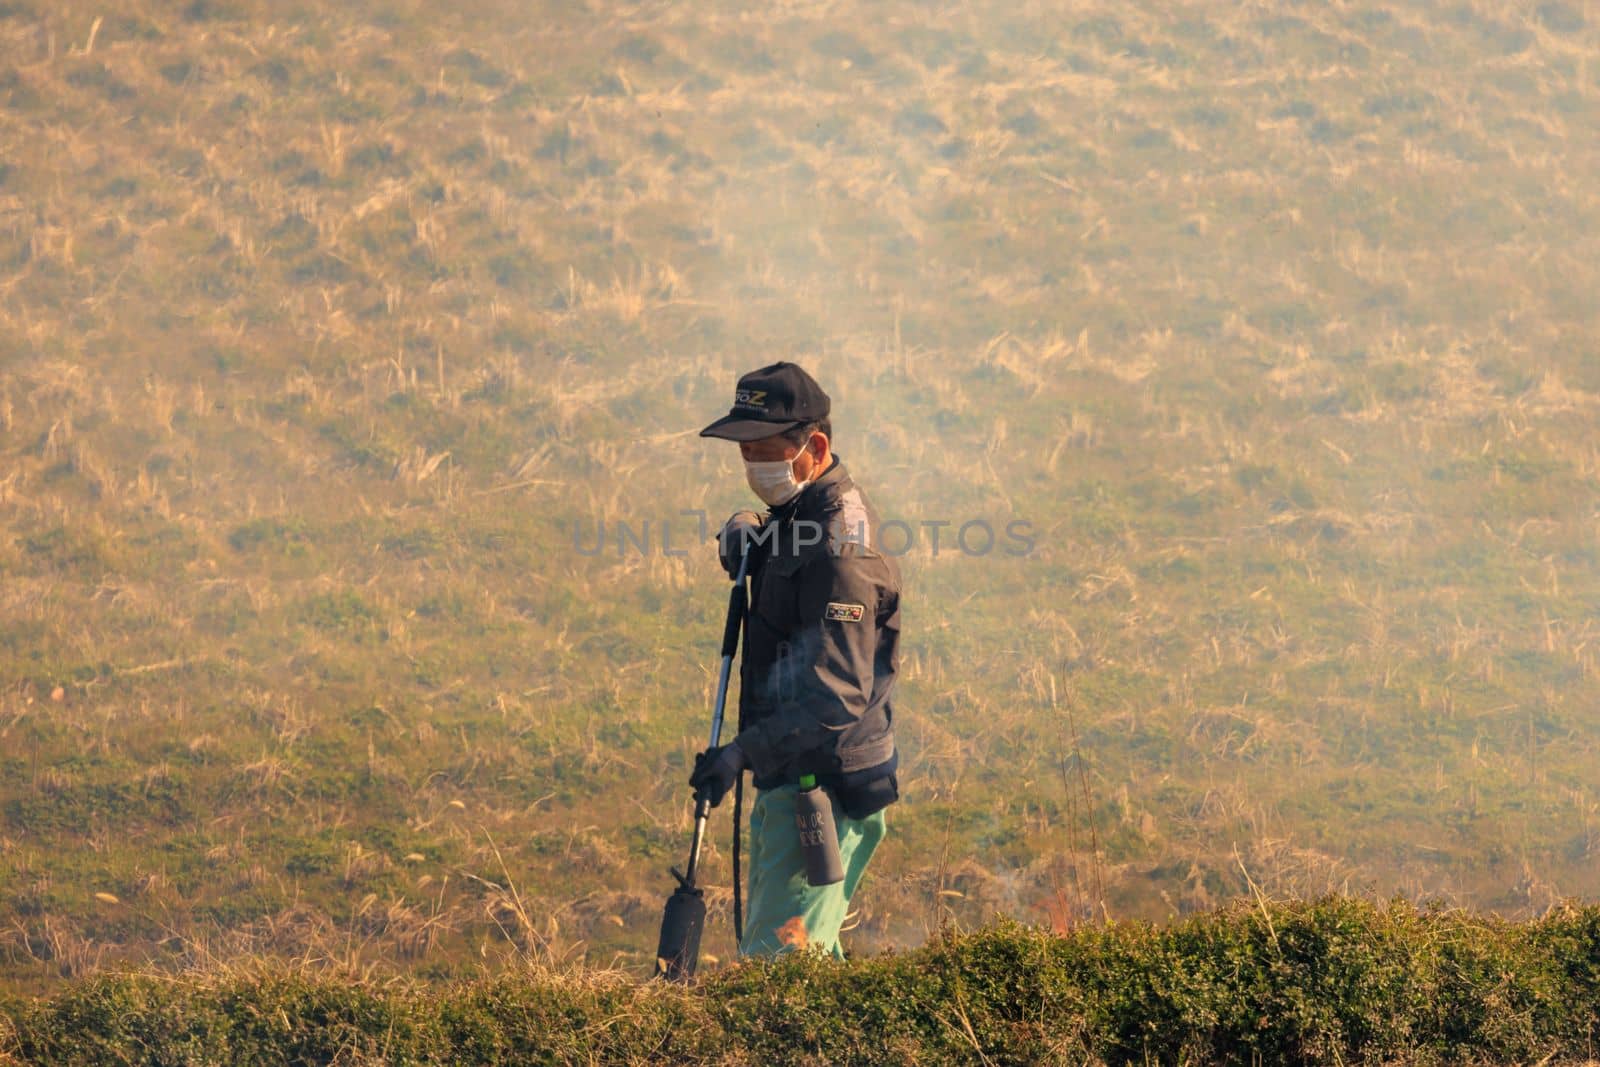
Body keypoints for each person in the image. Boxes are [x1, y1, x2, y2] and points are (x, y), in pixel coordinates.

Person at [690, 360, 902, 959]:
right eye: (744, 452)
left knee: (778, 969)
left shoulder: (844, 553)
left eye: (763, 450)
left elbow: (836, 695)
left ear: (816, 447)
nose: (753, 466)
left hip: (824, 788)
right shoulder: (805, 511)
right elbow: (786, 537)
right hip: (793, 776)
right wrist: (749, 527)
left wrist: (740, 753)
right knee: (801, 955)